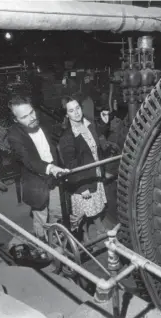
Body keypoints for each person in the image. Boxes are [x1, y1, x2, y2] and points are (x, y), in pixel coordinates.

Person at [7, 95, 69, 243]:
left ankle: (55, 240)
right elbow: (28, 160)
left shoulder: (42, 122)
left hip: (54, 178)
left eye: (32, 112)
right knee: (41, 218)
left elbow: (56, 141)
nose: (32, 118)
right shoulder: (14, 135)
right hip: (35, 182)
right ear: (16, 120)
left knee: (57, 213)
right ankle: (42, 245)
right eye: (25, 117)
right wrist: (50, 167)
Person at [58, 94, 110, 243]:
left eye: (78, 108)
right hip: (82, 181)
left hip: (95, 173)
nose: (76, 113)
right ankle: (84, 237)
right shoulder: (67, 137)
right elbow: (71, 166)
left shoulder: (89, 125)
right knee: (84, 213)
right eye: (71, 111)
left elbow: (97, 143)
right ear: (66, 115)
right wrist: (82, 187)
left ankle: (99, 227)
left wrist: (105, 124)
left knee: (96, 205)